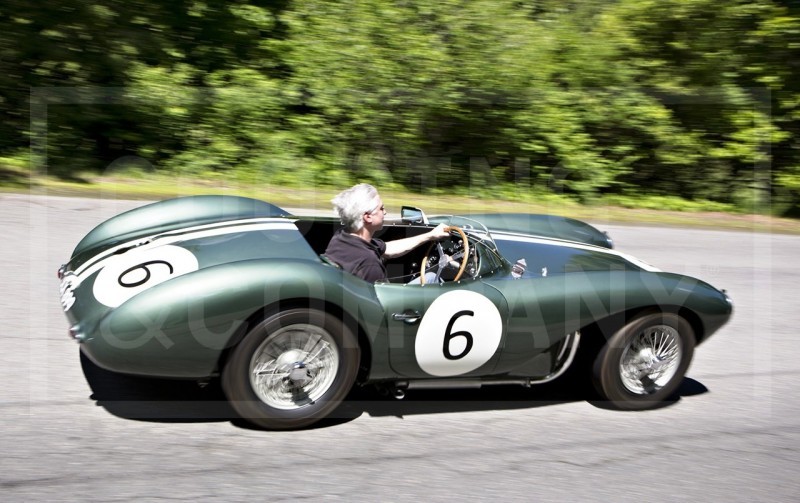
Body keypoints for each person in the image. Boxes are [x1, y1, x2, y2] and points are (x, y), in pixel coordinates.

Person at [324, 183, 450, 283]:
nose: (385, 213)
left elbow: (388, 248)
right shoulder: (369, 262)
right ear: (368, 217)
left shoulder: (341, 238)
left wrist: (430, 235)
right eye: (381, 208)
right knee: (432, 278)